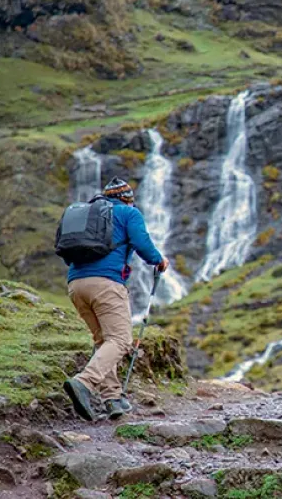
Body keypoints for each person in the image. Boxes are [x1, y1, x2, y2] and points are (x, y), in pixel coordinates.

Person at [63, 177, 169, 421]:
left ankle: (112, 399)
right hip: (106, 284)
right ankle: (84, 382)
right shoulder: (128, 213)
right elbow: (142, 243)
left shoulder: (88, 216)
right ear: (128, 199)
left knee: (104, 341)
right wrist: (159, 260)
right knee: (121, 339)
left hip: (76, 285)